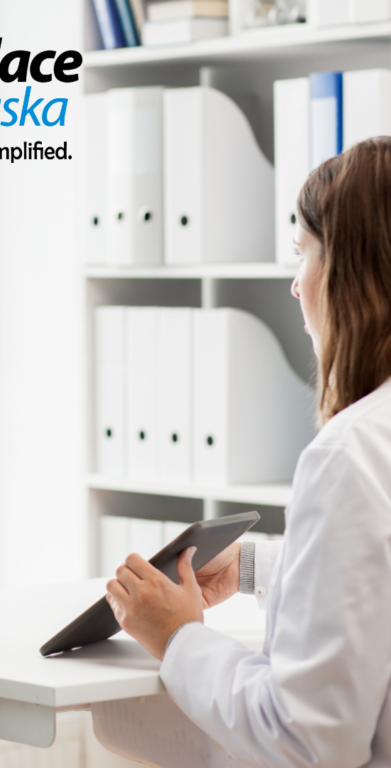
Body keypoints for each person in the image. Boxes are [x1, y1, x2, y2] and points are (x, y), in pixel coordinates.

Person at [106, 136, 391, 768]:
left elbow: (307, 737)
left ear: (352, 272)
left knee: (119, 723)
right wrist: (259, 567)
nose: (295, 286)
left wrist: (177, 637)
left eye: (304, 254)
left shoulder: (351, 452)